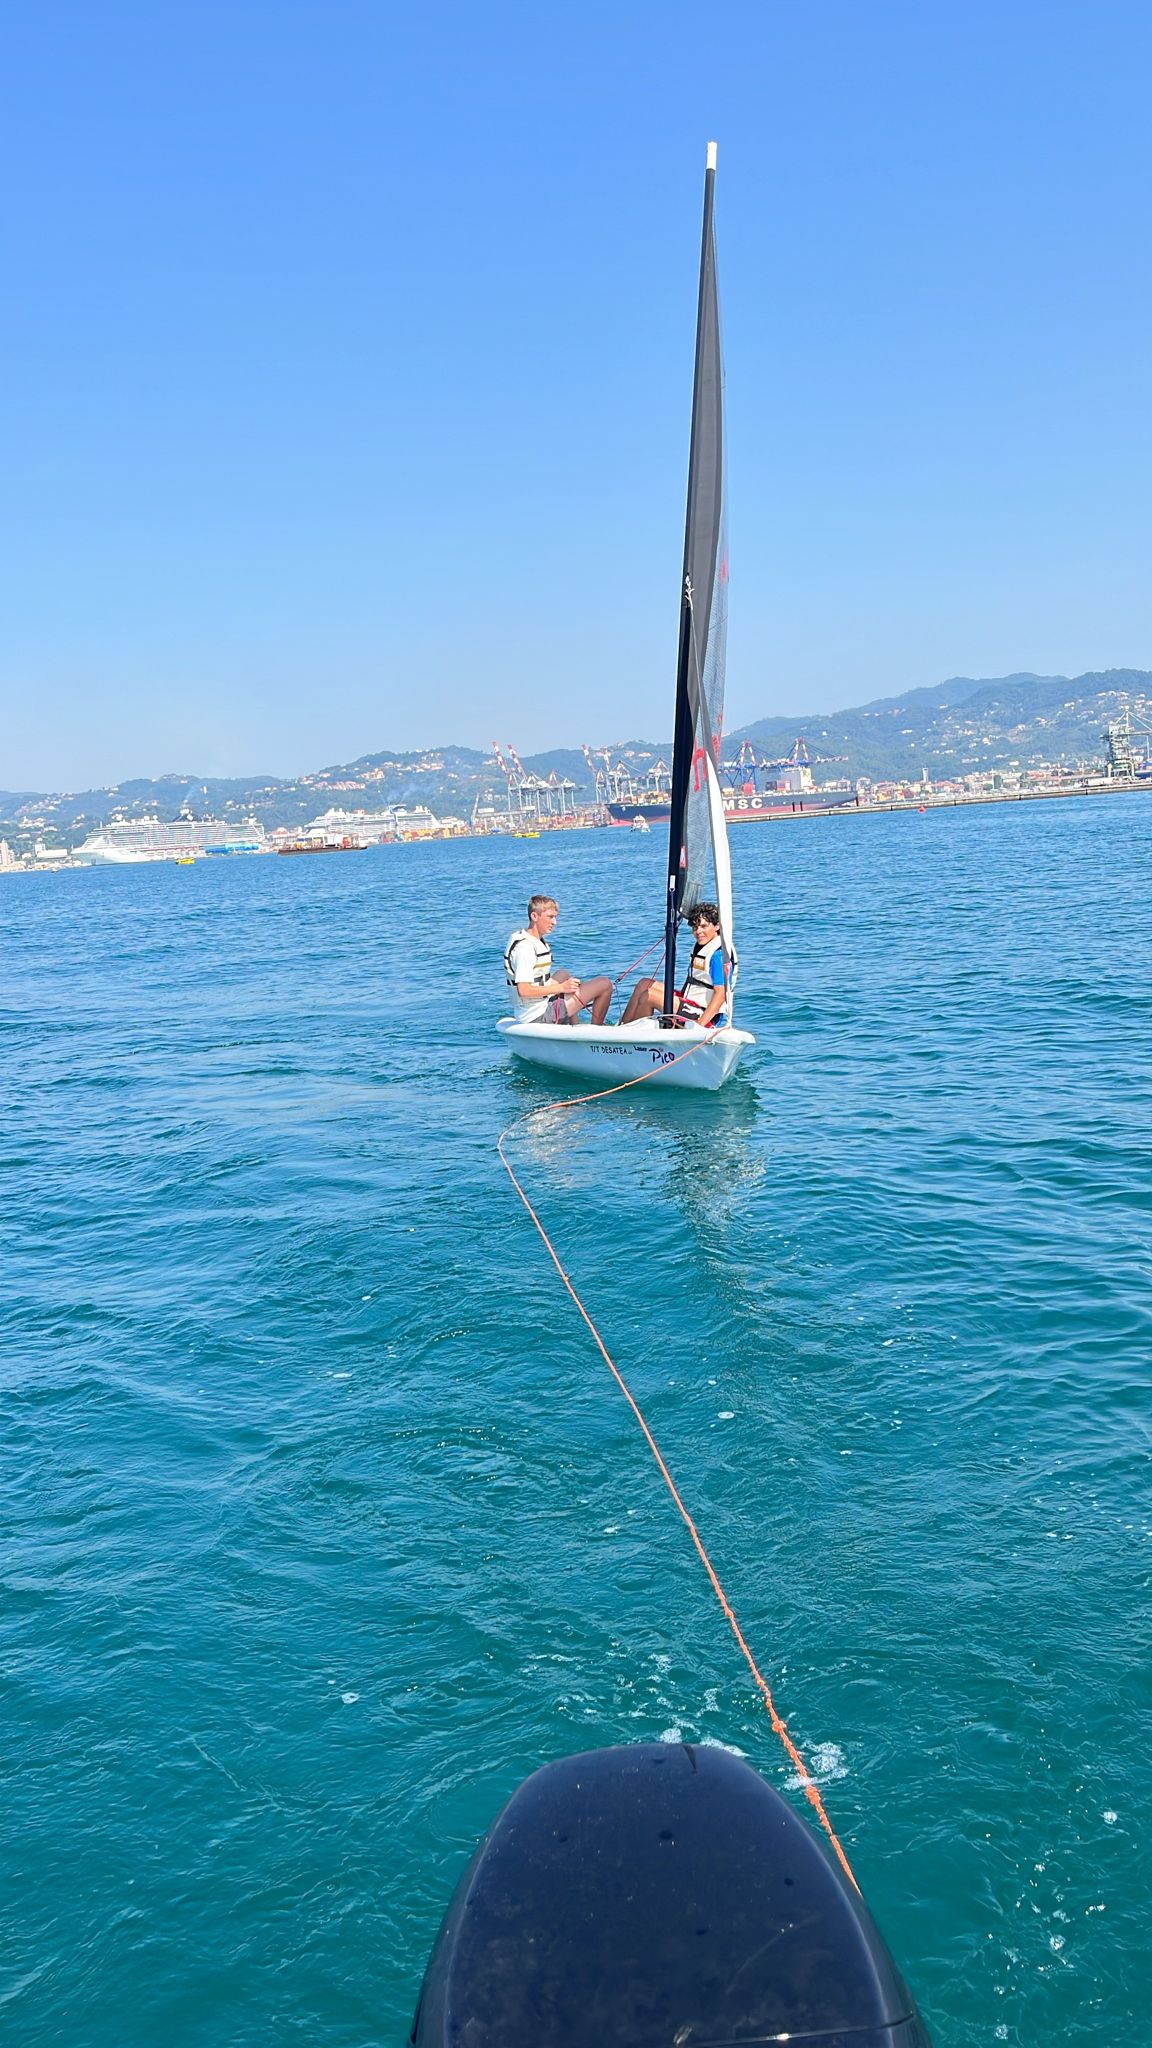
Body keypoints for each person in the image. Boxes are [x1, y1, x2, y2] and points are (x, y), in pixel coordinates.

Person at [504, 895, 613, 1025]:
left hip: (536, 1007)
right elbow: (524, 990)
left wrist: (564, 987)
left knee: (563, 974)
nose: (554, 922)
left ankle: (574, 1025)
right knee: (605, 984)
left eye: (555, 917)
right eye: (550, 917)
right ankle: (596, 1030)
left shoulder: (532, 939)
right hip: (536, 1016)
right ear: (534, 916)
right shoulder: (525, 948)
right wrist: (562, 988)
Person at [619, 901, 731, 1028]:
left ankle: (637, 1034)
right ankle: (623, 1027)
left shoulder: (717, 955)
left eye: (703, 926)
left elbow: (720, 995)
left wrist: (700, 1025)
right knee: (644, 984)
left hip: (703, 1014)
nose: (698, 931)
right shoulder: (703, 946)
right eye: (695, 927)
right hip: (689, 1002)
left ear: (717, 926)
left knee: (649, 996)